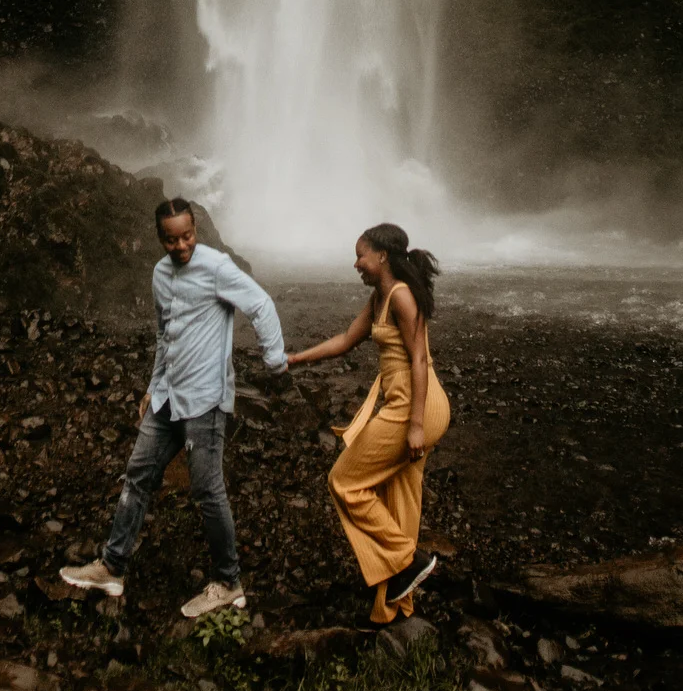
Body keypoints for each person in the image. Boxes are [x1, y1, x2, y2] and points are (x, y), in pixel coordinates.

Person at [61, 195, 289, 620]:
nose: (181, 246)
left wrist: (275, 361)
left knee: (207, 490)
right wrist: (153, 385)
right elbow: (164, 334)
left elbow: (260, 304)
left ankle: (228, 583)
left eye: (187, 236)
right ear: (159, 237)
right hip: (168, 396)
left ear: (195, 230)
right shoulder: (160, 274)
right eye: (171, 240)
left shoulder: (217, 267)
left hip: (205, 398)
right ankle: (112, 567)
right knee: (138, 475)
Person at [286, 221, 449, 622]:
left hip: (414, 407)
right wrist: (296, 359)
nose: (355, 263)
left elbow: (419, 359)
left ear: (382, 256)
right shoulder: (380, 297)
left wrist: (415, 426)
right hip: (410, 404)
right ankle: (395, 608)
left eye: (360, 255)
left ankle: (408, 560)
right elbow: (345, 340)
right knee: (400, 498)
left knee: (344, 482)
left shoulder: (402, 296)